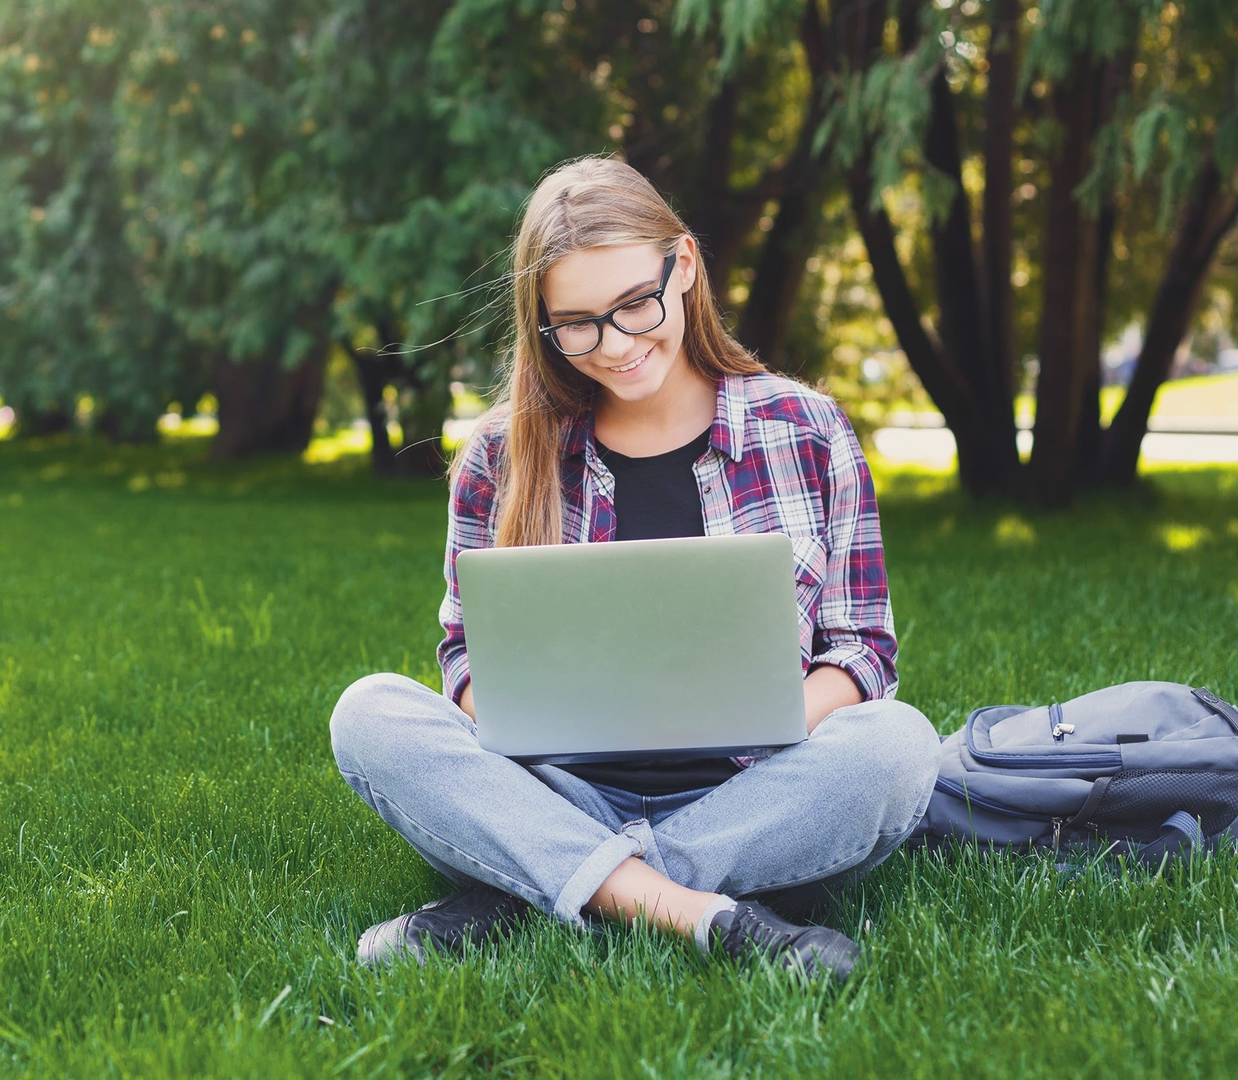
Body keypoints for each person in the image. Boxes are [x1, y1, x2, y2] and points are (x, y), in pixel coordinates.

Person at [329, 156, 939, 979]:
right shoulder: (500, 457)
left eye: (632, 306)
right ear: (542, 321)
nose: (614, 345)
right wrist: (520, 718)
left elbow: (865, 650)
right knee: (369, 713)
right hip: (557, 790)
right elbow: (465, 663)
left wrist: (766, 716)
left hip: (754, 793)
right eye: (576, 323)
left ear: (683, 266)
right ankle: (699, 915)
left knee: (899, 747)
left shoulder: (807, 428)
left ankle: (535, 887)